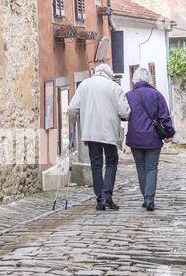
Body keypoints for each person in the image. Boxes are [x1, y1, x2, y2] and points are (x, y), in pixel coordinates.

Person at [69, 64, 131, 211]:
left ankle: (99, 199)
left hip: (90, 132)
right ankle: (106, 195)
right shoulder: (114, 87)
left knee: (96, 164)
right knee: (111, 162)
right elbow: (125, 112)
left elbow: (72, 108)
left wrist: (75, 119)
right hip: (108, 132)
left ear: (97, 72)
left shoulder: (84, 85)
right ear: (109, 75)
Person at [125, 68, 176, 211]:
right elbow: (164, 117)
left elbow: (124, 114)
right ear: (148, 80)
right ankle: (149, 198)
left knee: (141, 168)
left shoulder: (129, 95)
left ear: (134, 80)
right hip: (153, 138)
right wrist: (169, 133)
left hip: (135, 137)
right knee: (151, 168)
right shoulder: (156, 95)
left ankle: (146, 197)